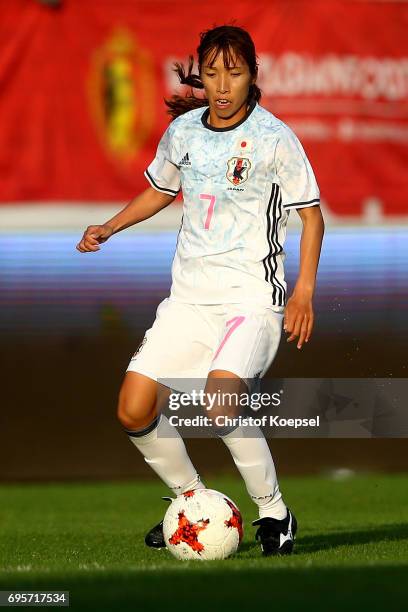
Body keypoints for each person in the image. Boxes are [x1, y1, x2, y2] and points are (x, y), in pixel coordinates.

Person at [76, 24, 325, 556]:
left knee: (219, 403)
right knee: (133, 409)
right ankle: (192, 502)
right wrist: (108, 226)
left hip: (251, 301)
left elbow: (312, 216)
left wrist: (303, 290)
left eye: (233, 72)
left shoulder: (274, 137)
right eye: (212, 73)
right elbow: (159, 191)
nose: (222, 84)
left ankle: (275, 513)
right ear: (202, 76)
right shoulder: (185, 132)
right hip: (188, 302)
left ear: (252, 75)